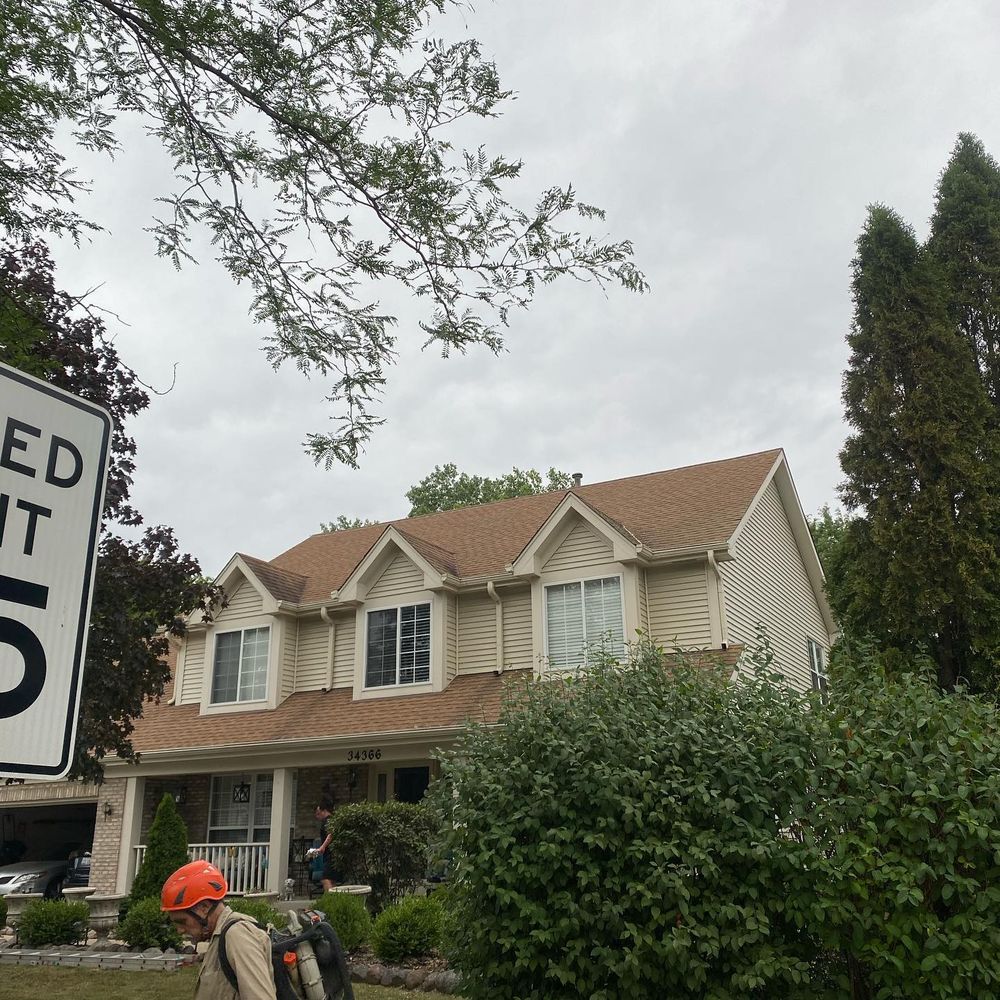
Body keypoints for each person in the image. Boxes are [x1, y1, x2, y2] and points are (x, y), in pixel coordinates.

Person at [162, 859, 276, 1000]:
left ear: (204, 907)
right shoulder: (219, 934)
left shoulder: (237, 935)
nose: (179, 930)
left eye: (182, 921)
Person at [307, 799, 338, 892]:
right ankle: (337, 901)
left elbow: (331, 834)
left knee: (325, 879)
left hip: (331, 855)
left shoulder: (327, 821)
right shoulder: (332, 820)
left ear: (324, 810)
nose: (317, 816)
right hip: (332, 854)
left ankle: (330, 901)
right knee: (331, 880)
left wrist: (323, 846)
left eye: (318, 813)